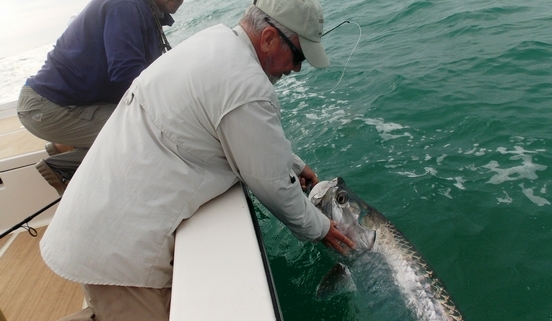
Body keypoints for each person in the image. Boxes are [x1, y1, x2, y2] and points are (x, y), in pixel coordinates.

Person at [40, 0, 355, 319]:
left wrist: (294, 164)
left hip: (98, 220)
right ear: (269, 38)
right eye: (298, 56)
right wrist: (322, 229)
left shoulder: (215, 43)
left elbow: (243, 132)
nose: (297, 68)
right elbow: (274, 188)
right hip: (118, 254)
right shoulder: (246, 83)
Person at [17, 0, 184, 196]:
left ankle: (67, 145)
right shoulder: (127, 6)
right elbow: (125, 72)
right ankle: (63, 167)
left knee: (155, 121)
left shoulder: (148, 10)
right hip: (48, 108)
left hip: (70, 103)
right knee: (149, 131)